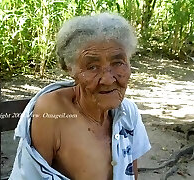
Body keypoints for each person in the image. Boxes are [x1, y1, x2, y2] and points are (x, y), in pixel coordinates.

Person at [9, 13, 151, 180]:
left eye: (118, 63)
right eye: (92, 67)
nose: (107, 79)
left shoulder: (128, 114)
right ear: (71, 70)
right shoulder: (52, 111)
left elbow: (131, 175)